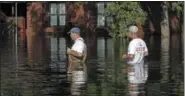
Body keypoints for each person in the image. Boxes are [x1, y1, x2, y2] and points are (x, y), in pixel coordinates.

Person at [122, 25, 149, 95]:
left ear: (132, 33)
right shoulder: (142, 41)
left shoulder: (132, 43)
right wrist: (139, 53)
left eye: (128, 32)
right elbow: (146, 53)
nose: (128, 87)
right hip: (141, 65)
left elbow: (131, 56)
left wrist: (125, 56)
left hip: (132, 66)